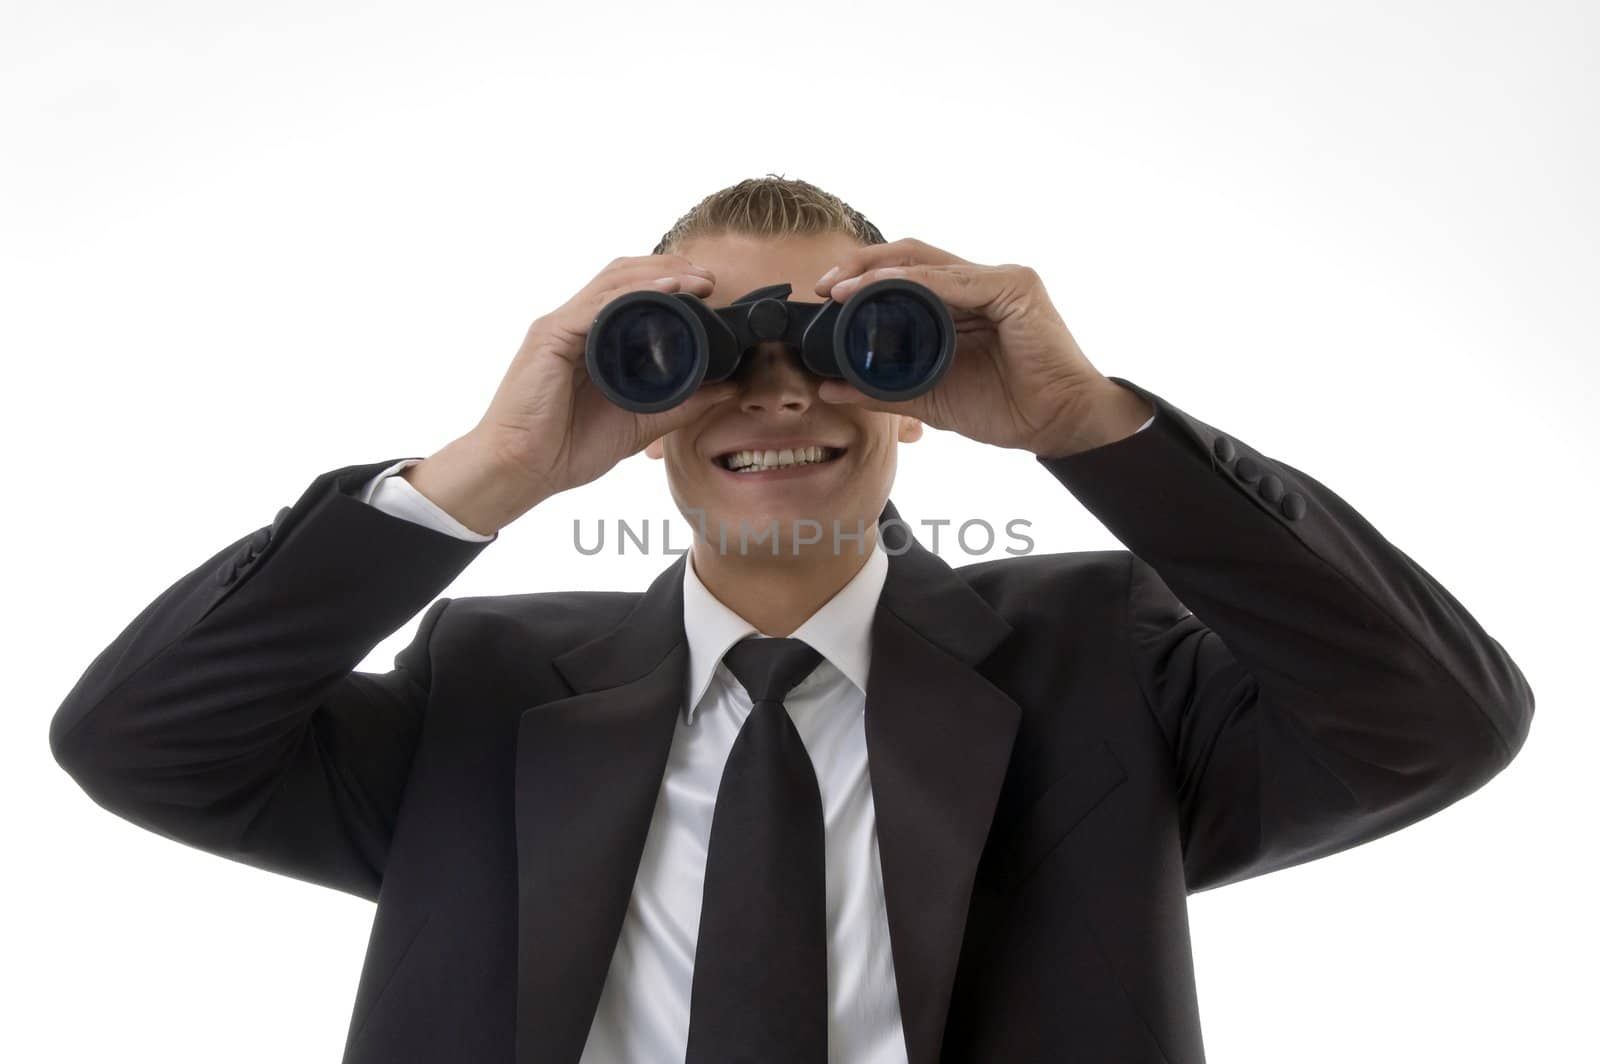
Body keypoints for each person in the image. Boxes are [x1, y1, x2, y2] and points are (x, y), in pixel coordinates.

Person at [48, 176, 1534, 1064]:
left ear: (922, 395)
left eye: (849, 342)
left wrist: (1086, 423)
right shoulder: (484, 687)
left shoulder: (1105, 666)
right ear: (632, 406)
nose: (779, 389)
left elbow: (1437, 718)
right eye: (693, 355)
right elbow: (140, 743)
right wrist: (478, 475)